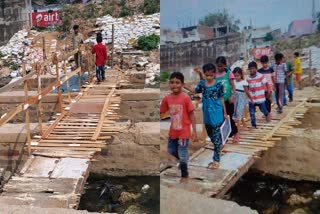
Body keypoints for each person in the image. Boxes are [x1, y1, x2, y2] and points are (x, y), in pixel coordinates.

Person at [185, 63, 227, 169]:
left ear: (214, 74)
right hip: (207, 113)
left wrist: (225, 112)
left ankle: (216, 160)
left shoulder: (219, 84)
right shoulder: (202, 84)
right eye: (207, 75)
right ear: (204, 74)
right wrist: (184, 86)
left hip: (217, 112)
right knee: (211, 135)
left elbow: (221, 98)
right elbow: (196, 91)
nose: (209, 77)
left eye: (211, 75)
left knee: (216, 138)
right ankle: (219, 147)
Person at [160, 72, 197, 183]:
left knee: (182, 152)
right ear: (169, 84)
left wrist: (194, 130)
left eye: (177, 82)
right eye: (172, 82)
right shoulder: (167, 98)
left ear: (182, 84)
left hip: (184, 132)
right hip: (173, 131)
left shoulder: (185, 98)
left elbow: (191, 114)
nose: (174, 85)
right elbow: (162, 111)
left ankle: (184, 175)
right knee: (171, 150)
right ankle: (183, 161)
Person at [215, 56, 239, 143]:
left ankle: (235, 133)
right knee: (221, 119)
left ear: (225, 65)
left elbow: (233, 86)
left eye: (221, 66)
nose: (220, 68)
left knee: (229, 117)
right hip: (219, 102)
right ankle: (225, 135)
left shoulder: (229, 73)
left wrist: (232, 96)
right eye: (218, 66)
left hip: (228, 100)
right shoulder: (215, 75)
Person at [246, 61, 271, 128]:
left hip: (260, 98)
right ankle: (253, 125)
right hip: (251, 99)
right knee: (252, 113)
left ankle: (267, 114)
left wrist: (268, 91)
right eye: (250, 69)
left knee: (263, 109)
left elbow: (266, 83)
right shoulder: (248, 78)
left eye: (253, 68)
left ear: (256, 69)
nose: (251, 70)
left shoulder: (260, 76)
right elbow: (247, 88)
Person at [232, 67, 249, 131]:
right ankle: (244, 124)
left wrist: (250, 99)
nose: (236, 77)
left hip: (241, 98)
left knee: (239, 111)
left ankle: (238, 128)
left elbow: (246, 91)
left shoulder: (244, 82)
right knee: (236, 112)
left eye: (238, 76)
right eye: (235, 76)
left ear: (241, 75)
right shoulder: (233, 82)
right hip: (235, 98)